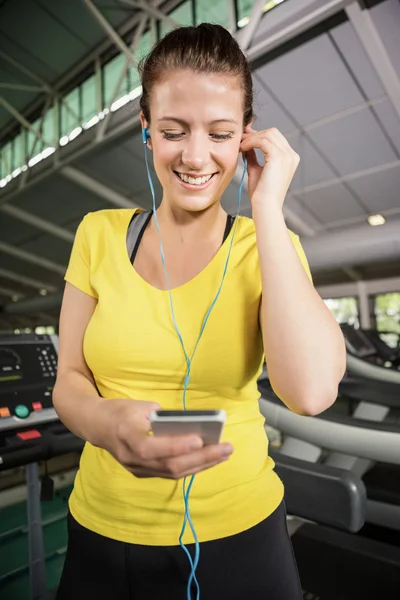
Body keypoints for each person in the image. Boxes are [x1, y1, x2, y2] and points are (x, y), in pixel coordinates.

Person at [53, 23, 346, 600]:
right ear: (146, 131)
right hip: (102, 528)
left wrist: (267, 207)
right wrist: (105, 424)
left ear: (245, 137)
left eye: (219, 133)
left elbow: (310, 393)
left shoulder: (269, 246)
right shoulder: (97, 235)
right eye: (172, 131)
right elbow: (70, 379)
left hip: (239, 533)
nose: (194, 155)